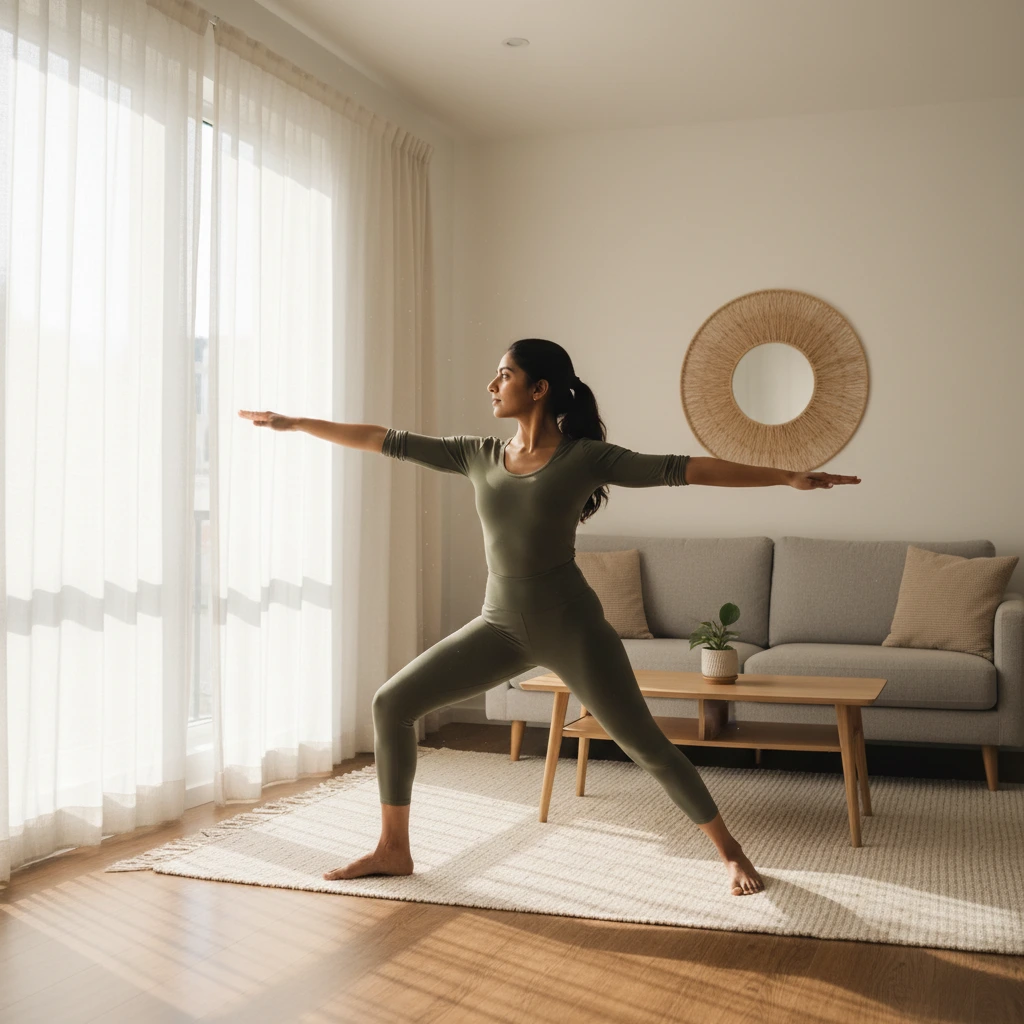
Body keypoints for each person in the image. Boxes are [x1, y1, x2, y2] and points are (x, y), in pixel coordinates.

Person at [239, 338, 860, 896]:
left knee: (646, 746)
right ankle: (393, 848)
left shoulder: (585, 458)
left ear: (538, 388)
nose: (492, 384)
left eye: (504, 374)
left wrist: (786, 478)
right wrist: (296, 423)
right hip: (499, 627)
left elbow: (684, 469)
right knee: (392, 703)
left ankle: (730, 852)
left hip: (573, 630)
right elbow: (385, 439)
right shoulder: (477, 454)